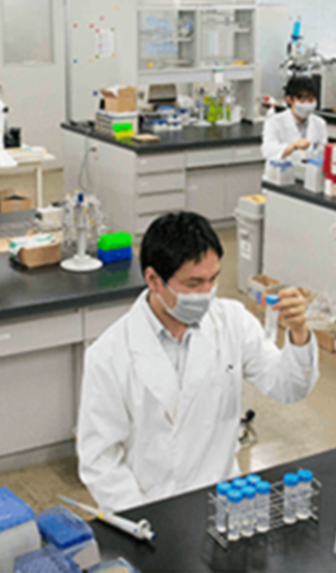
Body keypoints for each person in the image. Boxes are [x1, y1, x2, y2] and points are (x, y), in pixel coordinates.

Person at [76, 212, 319, 512]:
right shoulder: (109, 354)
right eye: (193, 283)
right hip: (149, 506)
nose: (206, 293)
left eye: (213, 279)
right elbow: (100, 460)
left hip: (223, 500)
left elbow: (289, 387)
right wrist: (143, 519)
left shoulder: (233, 322)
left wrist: (299, 333)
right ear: (153, 280)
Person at [261, 75, 328, 163]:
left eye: (311, 100)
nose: (307, 104)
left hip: (309, 170)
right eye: (302, 100)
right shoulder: (274, 122)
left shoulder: (319, 123)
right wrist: (293, 146)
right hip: (282, 170)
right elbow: (268, 151)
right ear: (289, 99)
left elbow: (322, 153)